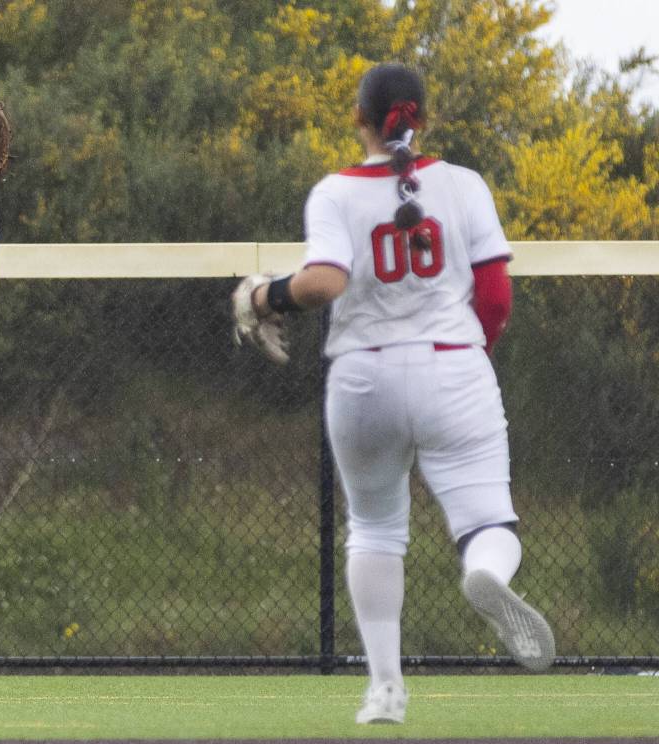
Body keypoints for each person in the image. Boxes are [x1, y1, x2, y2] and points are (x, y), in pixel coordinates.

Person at [232, 63, 554, 724]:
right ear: (422, 118)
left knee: (376, 529)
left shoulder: (335, 192)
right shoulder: (462, 185)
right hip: (452, 364)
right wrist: (469, 361)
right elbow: (495, 297)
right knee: (489, 521)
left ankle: (385, 690)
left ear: (360, 119)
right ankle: (484, 570)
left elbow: (323, 281)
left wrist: (264, 294)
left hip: (363, 374)